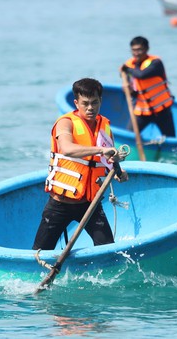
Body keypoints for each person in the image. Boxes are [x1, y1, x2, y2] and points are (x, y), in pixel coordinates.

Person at [32, 78, 128, 251]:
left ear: (100, 101)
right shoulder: (65, 122)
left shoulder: (105, 127)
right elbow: (67, 149)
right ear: (76, 103)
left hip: (90, 205)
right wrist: (100, 150)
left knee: (107, 251)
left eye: (94, 103)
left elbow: (107, 161)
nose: (90, 108)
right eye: (85, 103)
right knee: (39, 254)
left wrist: (119, 171)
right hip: (60, 204)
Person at [120, 36, 176, 137]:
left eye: (139, 50)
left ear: (146, 49)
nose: (136, 53)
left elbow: (142, 75)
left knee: (170, 138)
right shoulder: (130, 66)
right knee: (129, 136)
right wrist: (128, 90)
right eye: (133, 50)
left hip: (162, 110)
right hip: (142, 112)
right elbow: (135, 92)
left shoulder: (156, 63)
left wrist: (127, 70)